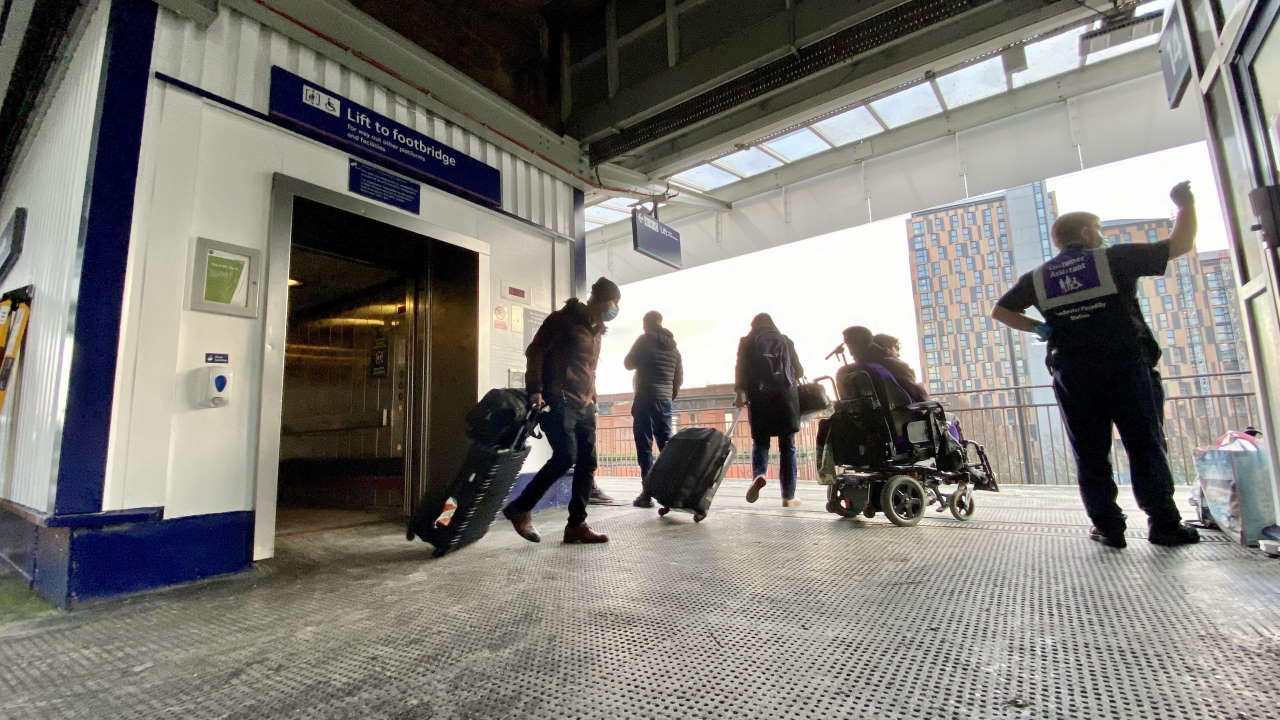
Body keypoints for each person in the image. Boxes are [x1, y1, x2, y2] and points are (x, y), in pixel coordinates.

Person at [992, 181, 1200, 549]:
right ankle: (1163, 524)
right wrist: (1185, 205)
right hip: (1125, 367)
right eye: (1099, 231)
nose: (1101, 237)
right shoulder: (1112, 258)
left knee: (1090, 452)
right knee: (1145, 444)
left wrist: (1039, 326)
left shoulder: (1039, 277)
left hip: (1072, 372)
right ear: (1088, 233)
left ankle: (1108, 527)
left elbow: (1001, 310)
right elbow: (1179, 245)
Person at [502, 277, 621, 545]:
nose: (615, 309)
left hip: (585, 403)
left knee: (588, 462)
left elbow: (590, 368)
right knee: (566, 456)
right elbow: (535, 351)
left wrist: (594, 397)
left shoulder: (597, 331)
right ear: (599, 300)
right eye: (613, 302)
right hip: (559, 399)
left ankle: (576, 525)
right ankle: (521, 507)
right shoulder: (562, 320)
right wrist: (535, 389)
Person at [734, 313, 804, 507]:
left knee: (761, 441)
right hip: (786, 399)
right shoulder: (785, 341)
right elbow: (799, 371)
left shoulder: (747, 341)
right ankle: (788, 497)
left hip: (760, 397)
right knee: (787, 447)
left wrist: (740, 391)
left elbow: (741, 368)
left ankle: (759, 474)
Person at [624, 311, 684, 508]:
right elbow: (678, 380)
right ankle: (673, 492)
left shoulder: (644, 340)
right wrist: (667, 396)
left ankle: (647, 494)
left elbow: (628, 363)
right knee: (666, 447)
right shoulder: (674, 349)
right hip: (665, 401)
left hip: (645, 399)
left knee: (644, 446)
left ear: (646, 323)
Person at [840, 326, 928, 402]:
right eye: (896, 348)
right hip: (902, 418)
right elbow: (919, 396)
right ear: (887, 348)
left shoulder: (845, 371)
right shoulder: (893, 365)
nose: (898, 353)